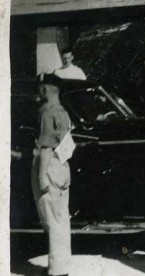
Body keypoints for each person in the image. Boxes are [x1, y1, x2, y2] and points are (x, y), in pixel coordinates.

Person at [32, 73, 73, 276]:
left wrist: (41, 176)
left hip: (48, 167)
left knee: (51, 221)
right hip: (63, 166)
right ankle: (61, 267)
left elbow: (46, 147)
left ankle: (56, 271)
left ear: (46, 89)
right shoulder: (64, 112)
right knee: (61, 219)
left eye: (40, 87)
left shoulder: (45, 112)